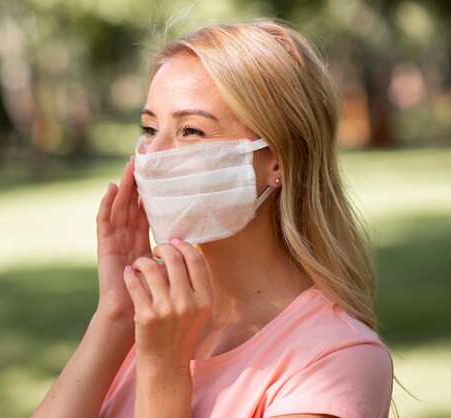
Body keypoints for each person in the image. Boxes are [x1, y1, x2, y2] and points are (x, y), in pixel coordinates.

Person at [32, 19, 393, 418]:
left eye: (190, 131)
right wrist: (116, 316)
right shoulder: (154, 320)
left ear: (277, 160)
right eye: (150, 128)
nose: (154, 153)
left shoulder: (335, 361)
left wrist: (165, 369)